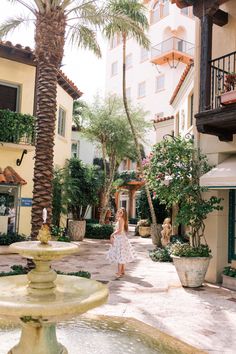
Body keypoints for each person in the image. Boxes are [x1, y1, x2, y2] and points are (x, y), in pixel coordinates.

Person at [106, 207, 136, 278]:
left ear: (123, 214)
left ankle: (119, 273)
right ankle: (122, 271)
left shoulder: (120, 219)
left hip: (120, 239)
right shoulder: (122, 219)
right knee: (122, 255)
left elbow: (119, 230)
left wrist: (112, 234)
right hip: (122, 238)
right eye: (118, 211)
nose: (119, 213)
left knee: (120, 255)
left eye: (121, 212)